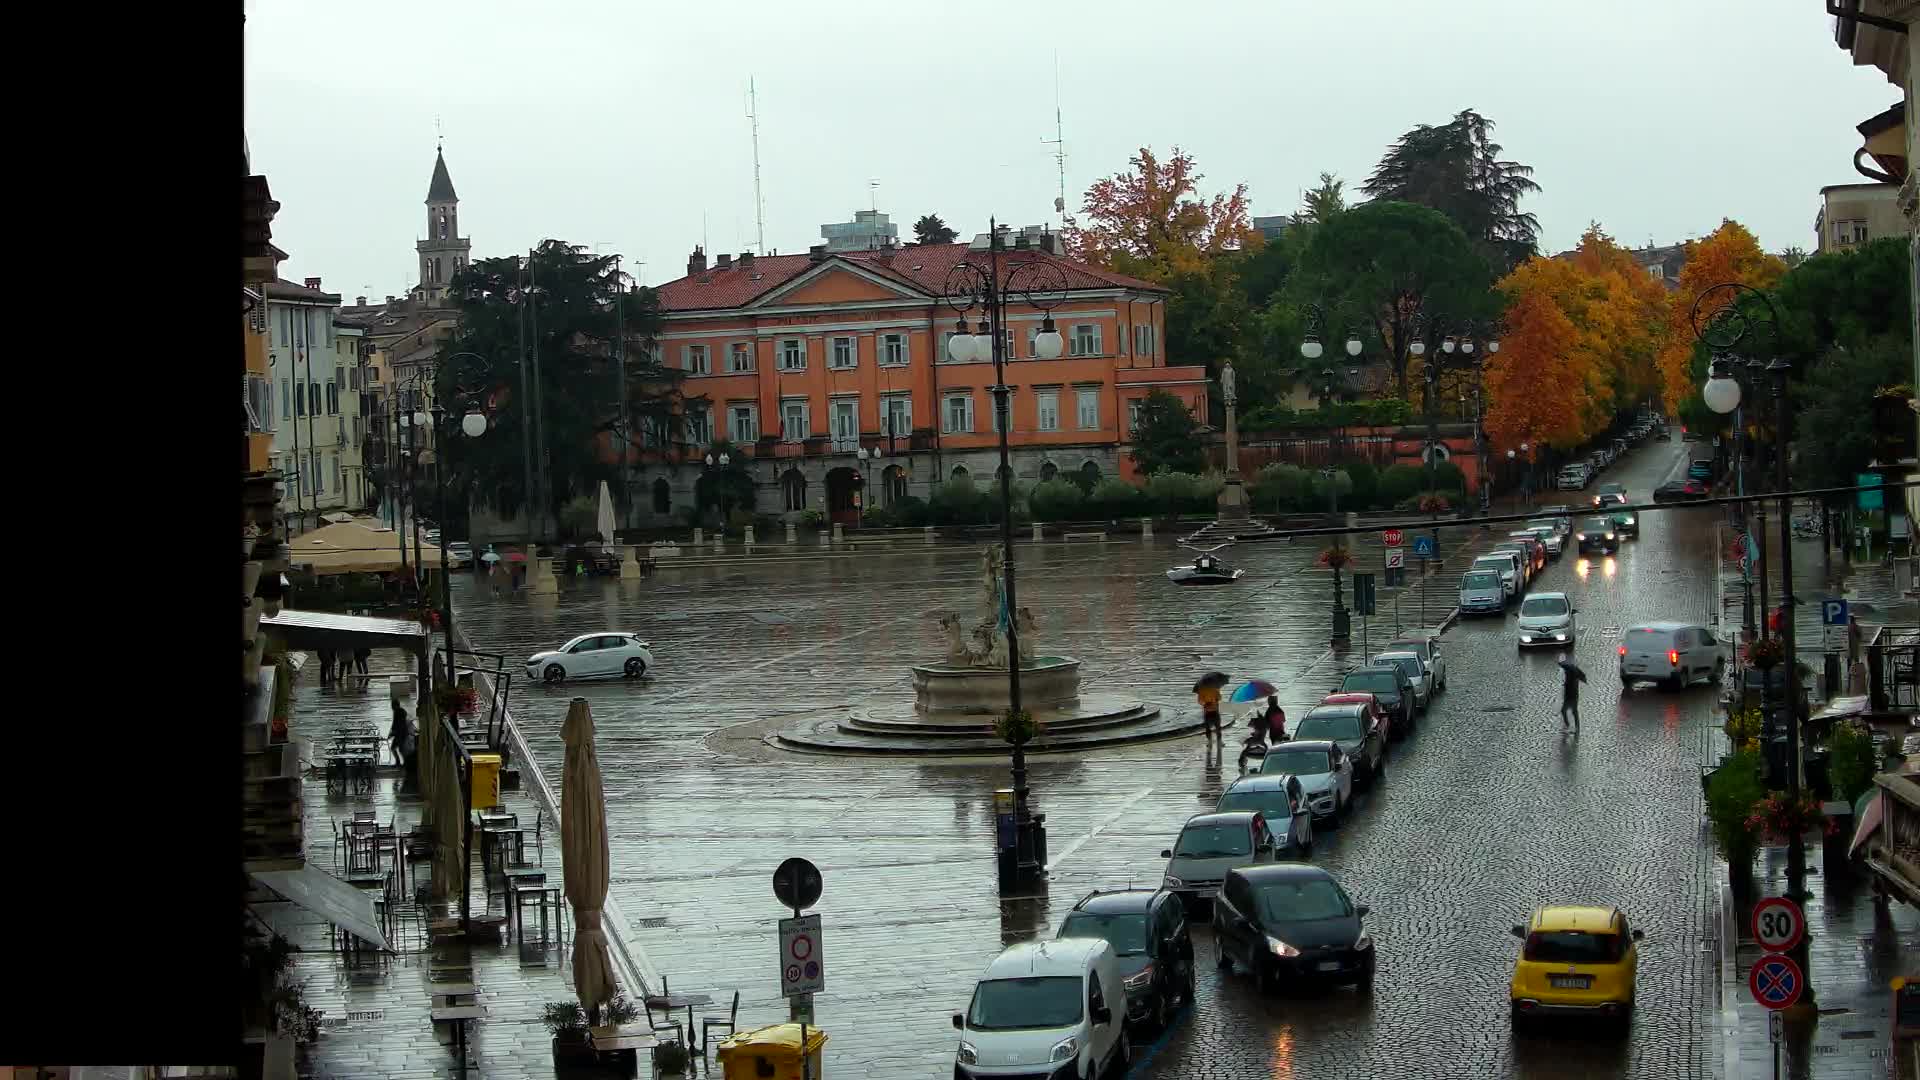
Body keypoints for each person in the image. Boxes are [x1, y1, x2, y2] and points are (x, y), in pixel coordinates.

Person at [1558, 653, 1586, 732]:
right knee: (1573, 711)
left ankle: (1571, 726)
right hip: (1573, 694)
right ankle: (1575, 727)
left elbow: (1561, 664)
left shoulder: (1570, 669)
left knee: (1567, 711)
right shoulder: (1575, 669)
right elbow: (1583, 677)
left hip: (1571, 694)